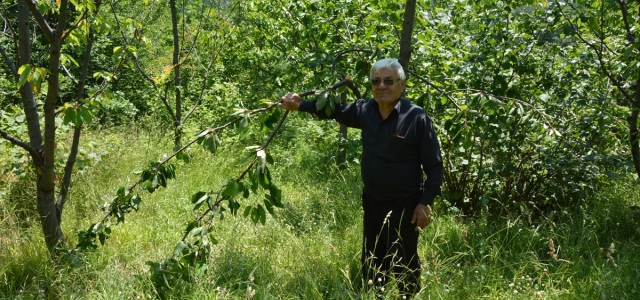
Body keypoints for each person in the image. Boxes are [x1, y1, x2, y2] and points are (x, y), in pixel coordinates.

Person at [279, 58, 443, 297]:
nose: (382, 86)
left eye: (389, 81)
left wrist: (425, 203)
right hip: (373, 203)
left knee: (404, 263)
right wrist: (300, 105)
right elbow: (334, 110)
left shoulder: (416, 117)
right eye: (376, 81)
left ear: (402, 85)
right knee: (373, 259)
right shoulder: (366, 110)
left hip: (405, 207)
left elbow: (435, 166)